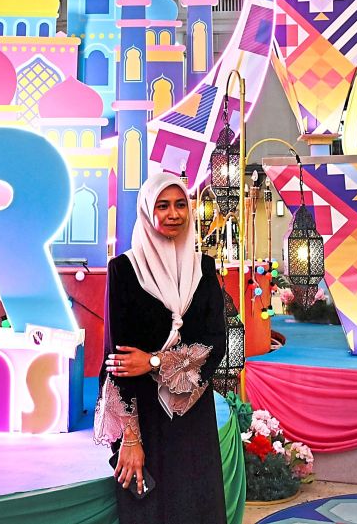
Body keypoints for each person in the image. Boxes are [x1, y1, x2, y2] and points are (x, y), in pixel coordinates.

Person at [94, 172, 228, 524]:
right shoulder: (124, 270)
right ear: (146, 212)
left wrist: (155, 361)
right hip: (146, 420)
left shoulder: (203, 269)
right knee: (150, 512)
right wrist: (130, 439)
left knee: (198, 508)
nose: (173, 214)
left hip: (191, 413)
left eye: (181, 204)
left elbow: (216, 344)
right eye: (163, 205)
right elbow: (118, 362)